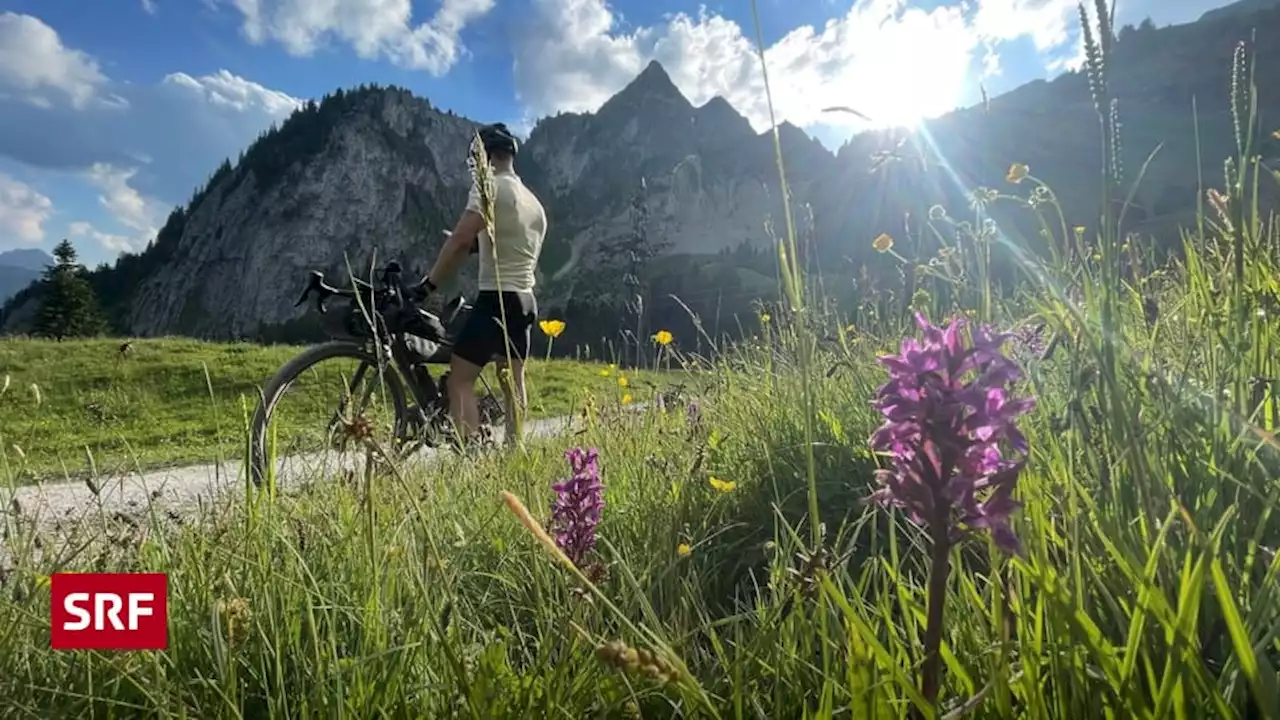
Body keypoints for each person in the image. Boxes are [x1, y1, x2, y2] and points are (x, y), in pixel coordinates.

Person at [415, 122, 547, 448]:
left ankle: (473, 461)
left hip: (496, 298)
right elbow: (506, 243)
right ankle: (514, 454)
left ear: (484, 158)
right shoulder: (534, 203)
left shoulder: (489, 187)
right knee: (513, 381)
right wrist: (476, 246)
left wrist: (428, 286)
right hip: (525, 300)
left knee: (459, 379)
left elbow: (460, 240)